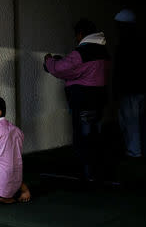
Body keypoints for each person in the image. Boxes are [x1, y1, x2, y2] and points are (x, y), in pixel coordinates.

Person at [43, 19, 110, 181]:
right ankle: (99, 171)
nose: (76, 39)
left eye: (77, 35)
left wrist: (49, 60)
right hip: (99, 99)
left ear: (81, 34)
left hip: (83, 100)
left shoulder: (82, 52)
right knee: (95, 135)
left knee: (83, 137)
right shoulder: (103, 51)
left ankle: (87, 174)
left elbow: (61, 69)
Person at [113, 9, 146, 158]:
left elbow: (121, 70)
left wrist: (117, 88)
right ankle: (140, 150)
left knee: (131, 122)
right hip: (140, 88)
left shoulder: (125, 44)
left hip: (129, 89)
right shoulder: (141, 42)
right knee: (139, 121)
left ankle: (134, 151)